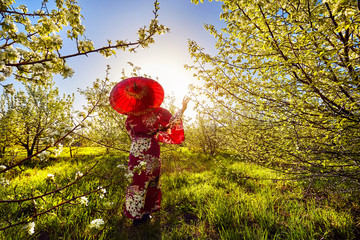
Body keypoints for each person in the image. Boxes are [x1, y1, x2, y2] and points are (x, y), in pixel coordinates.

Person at [109, 77, 189, 225]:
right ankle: (146, 212)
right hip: (151, 148)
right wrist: (182, 110)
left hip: (135, 150)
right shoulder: (158, 112)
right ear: (150, 96)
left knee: (136, 181)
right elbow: (170, 125)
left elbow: (131, 133)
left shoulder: (130, 117)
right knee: (150, 180)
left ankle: (135, 214)